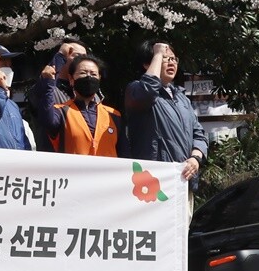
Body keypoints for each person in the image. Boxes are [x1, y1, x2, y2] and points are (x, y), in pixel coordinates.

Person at [123, 41, 208, 213]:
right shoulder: (136, 90)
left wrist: (195, 158)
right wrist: (157, 54)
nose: (171, 63)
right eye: (164, 58)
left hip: (184, 182)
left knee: (181, 237)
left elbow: (199, 133)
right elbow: (147, 91)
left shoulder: (182, 98)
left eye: (173, 59)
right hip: (154, 182)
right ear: (148, 63)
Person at [35, 53, 123, 156]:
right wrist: (48, 83)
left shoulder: (113, 115)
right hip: (72, 171)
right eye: (83, 73)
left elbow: (124, 153)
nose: (88, 77)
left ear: (99, 79)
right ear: (71, 79)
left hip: (108, 172)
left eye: (93, 74)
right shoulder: (61, 111)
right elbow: (47, 121)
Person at [0, 44, 32, 150]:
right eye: (3, 62)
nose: (8, 68)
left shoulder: (12, 105)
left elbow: (23, 139)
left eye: (9, 64)